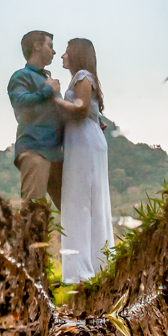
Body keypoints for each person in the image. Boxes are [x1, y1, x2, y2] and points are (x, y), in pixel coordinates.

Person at [53, 38, 114, 284]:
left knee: (80, 202)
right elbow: (88, 110)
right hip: (82, 142)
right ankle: (92, 267)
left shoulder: (82, 75)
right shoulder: (82, 77)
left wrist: (53, 96)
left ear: (76, 54)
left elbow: (80, 108)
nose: (62, 56)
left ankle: (82, 272)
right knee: (85, 203)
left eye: (66, 52)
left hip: (84, 144)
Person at [7, 30, 64, 208]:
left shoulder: (48, 79)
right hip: (35, 150)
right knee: (34, 212)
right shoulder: (20, 76)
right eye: (50, 46)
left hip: (59, 155)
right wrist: (48, 91)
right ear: (37, 46)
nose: (54, 52)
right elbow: (21, 104)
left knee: (73, 212)